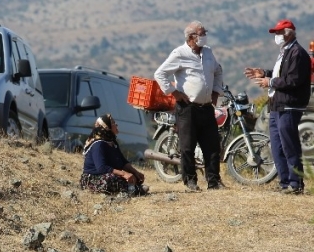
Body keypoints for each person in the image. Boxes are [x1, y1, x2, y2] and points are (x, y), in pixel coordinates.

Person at [154, 21, 225, 191]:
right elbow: (160, 73)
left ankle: (214, 181)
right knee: (187, 146)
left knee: (212, 146)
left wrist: (216, 92)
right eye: (201, 34)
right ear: (192, 37)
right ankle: (190, 181)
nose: (204, 36)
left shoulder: (208, 53)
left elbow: (218, 70)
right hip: (188, 108)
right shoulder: (179, 53)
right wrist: (175, 92)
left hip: (207, 107)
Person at [244, 19, 312, 194]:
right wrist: (265, 73)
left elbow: (293, 80)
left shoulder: (297, 53)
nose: (276, 36)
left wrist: (270, 81)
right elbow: (282, 74)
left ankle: (295, 183)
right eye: (275, 33)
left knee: (289, 145)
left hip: (289, 105)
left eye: (279, 33)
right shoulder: (285, 52)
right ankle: (285, 182)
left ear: (289, 33)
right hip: (276, 105)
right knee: (277, 145)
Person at [81, 114, 148, 195]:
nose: (116, 125)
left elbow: (122, 162)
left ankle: (133, 188)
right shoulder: (98, 145)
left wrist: (135, 172)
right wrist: (123, 173)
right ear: (106, 127)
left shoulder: (112, 142)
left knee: (133, 176)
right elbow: (101, 168)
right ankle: (134, 190)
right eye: (113, 123)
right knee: (111, 179)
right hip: (93, 178)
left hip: (107, 174)